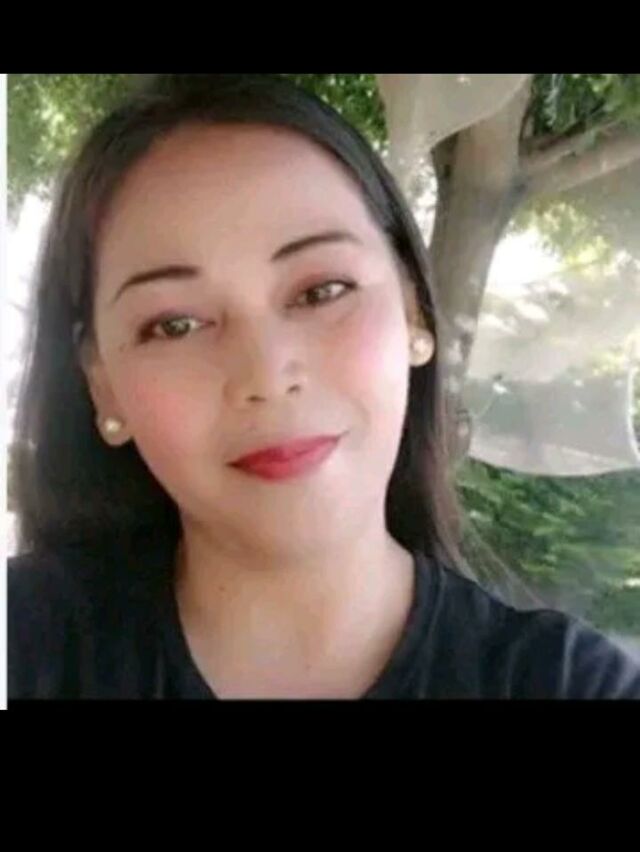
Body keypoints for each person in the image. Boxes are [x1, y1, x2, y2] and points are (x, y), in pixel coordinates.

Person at [8, 74, 640, 700]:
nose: (265, 374)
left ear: (413, 313)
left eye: (321, 291)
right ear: (103, 387)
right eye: (175, 324)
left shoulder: (574, 685)